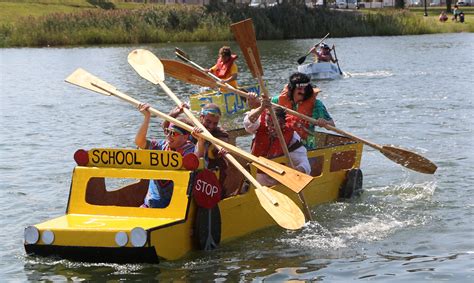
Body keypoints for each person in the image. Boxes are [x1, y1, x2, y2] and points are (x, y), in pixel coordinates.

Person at [135, 103, 205, 208]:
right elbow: (139, 142)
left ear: (186, 137)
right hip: (149, 205)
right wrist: (146, 117)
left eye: (174, 133)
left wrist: (201, 141)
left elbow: (196, 161)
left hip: (174, 210)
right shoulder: (161, 146)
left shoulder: (189, 151)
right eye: (168, 132)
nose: (169, 136)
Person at [248, 73, 335, 150]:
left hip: (304, 147)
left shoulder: (317, 105)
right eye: (300, 89)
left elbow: (332, 125)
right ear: (292, 89)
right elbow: (255, 115)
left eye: (306, 89)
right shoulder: (276, 101)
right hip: (280, 145)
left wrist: (325, 122)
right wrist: (252, 101)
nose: (303, 92)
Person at [243, 97, 311, 186]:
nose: (271, 128)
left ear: (283, 124)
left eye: (275, 125)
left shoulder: (292, 136)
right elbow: (248, 123)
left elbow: (304, 163)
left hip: (278, 179)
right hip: (256, 177)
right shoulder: (259, 126)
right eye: (269, 123)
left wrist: (297, 171)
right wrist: (261, 108)